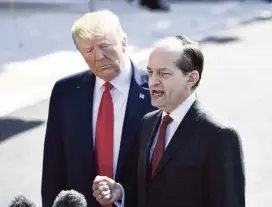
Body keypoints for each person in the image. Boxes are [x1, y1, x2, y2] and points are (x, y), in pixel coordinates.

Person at [92, 35, 245, 207]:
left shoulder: (219, 136)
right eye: (150, 72)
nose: (152, 82)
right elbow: (147, 189)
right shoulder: (148, 124)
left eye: (163, 74)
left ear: (191, 78)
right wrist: (120, 191)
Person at [41, 10, 155, 207]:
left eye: (104, 46)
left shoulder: (156, 91)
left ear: (124, 42)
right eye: (88, 50)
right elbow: (53, 167)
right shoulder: (65, 92)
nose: (98, 56)